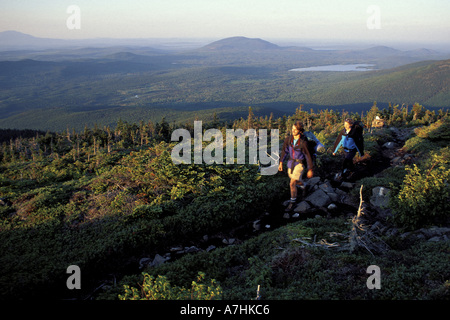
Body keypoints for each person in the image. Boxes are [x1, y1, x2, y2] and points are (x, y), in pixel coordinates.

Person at [278, 121, 314, 212]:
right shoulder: (288, 139)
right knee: (296, 180)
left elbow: (307, 156)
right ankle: (304, 186)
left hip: (300, 164)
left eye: (295, 129)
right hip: (291, 163)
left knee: (292, 183)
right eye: (292, 129)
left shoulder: (303, 142)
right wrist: (281, 162)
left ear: (300, 130)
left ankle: (293, 202)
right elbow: (284, 151)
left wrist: (310, 169)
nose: (293, 131)